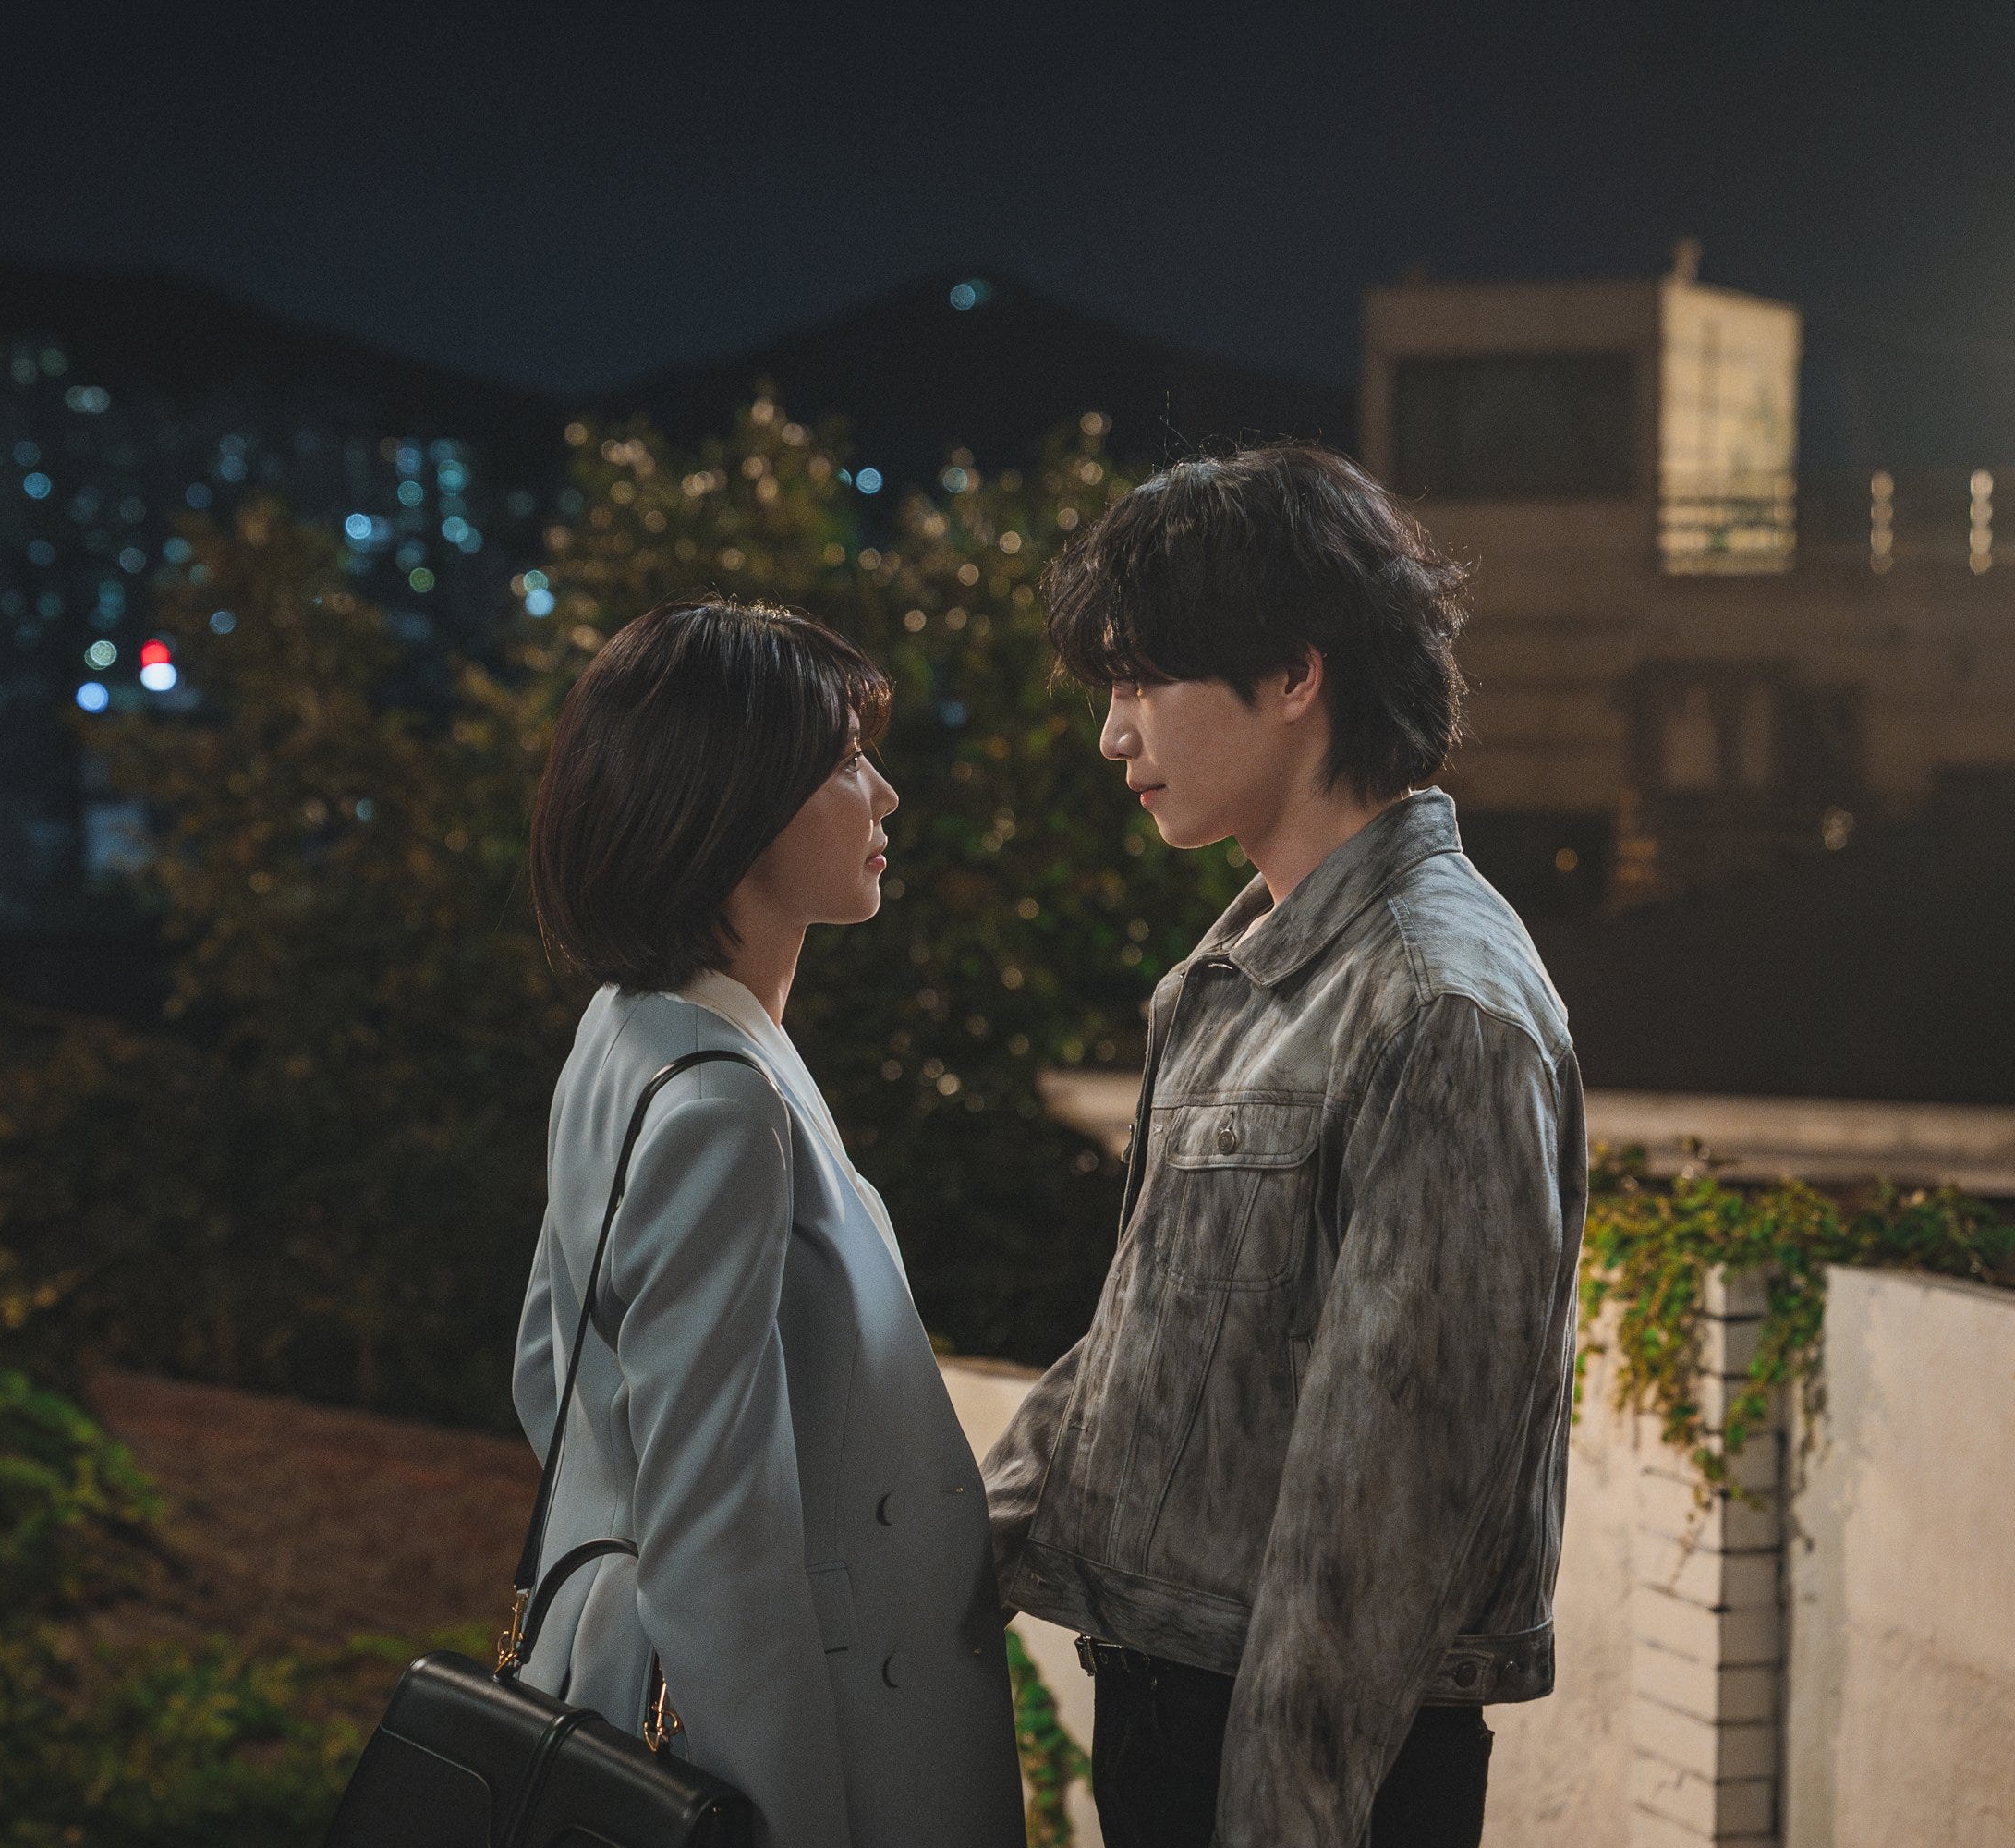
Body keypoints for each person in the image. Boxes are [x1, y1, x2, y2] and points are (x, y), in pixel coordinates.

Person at [983, 447, 1589, 1848]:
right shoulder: (1244, 971)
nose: (1112, 736)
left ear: (1297, 673)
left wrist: (1281, 1813)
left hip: (1309, 1756)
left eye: (1142, 683)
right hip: (1172, 1700)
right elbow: (1149, 1343)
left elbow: (1392, 1494)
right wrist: (936, 1574)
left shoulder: (1439, 1000)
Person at [515, 596, 1026, 1848]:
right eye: (846, 762)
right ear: (730, 803)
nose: (885, 796)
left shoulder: (627, 1029)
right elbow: (716, 1540)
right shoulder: (722, 1103)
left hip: (624, 1674)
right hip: (820, 1733)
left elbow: (548, 1368)